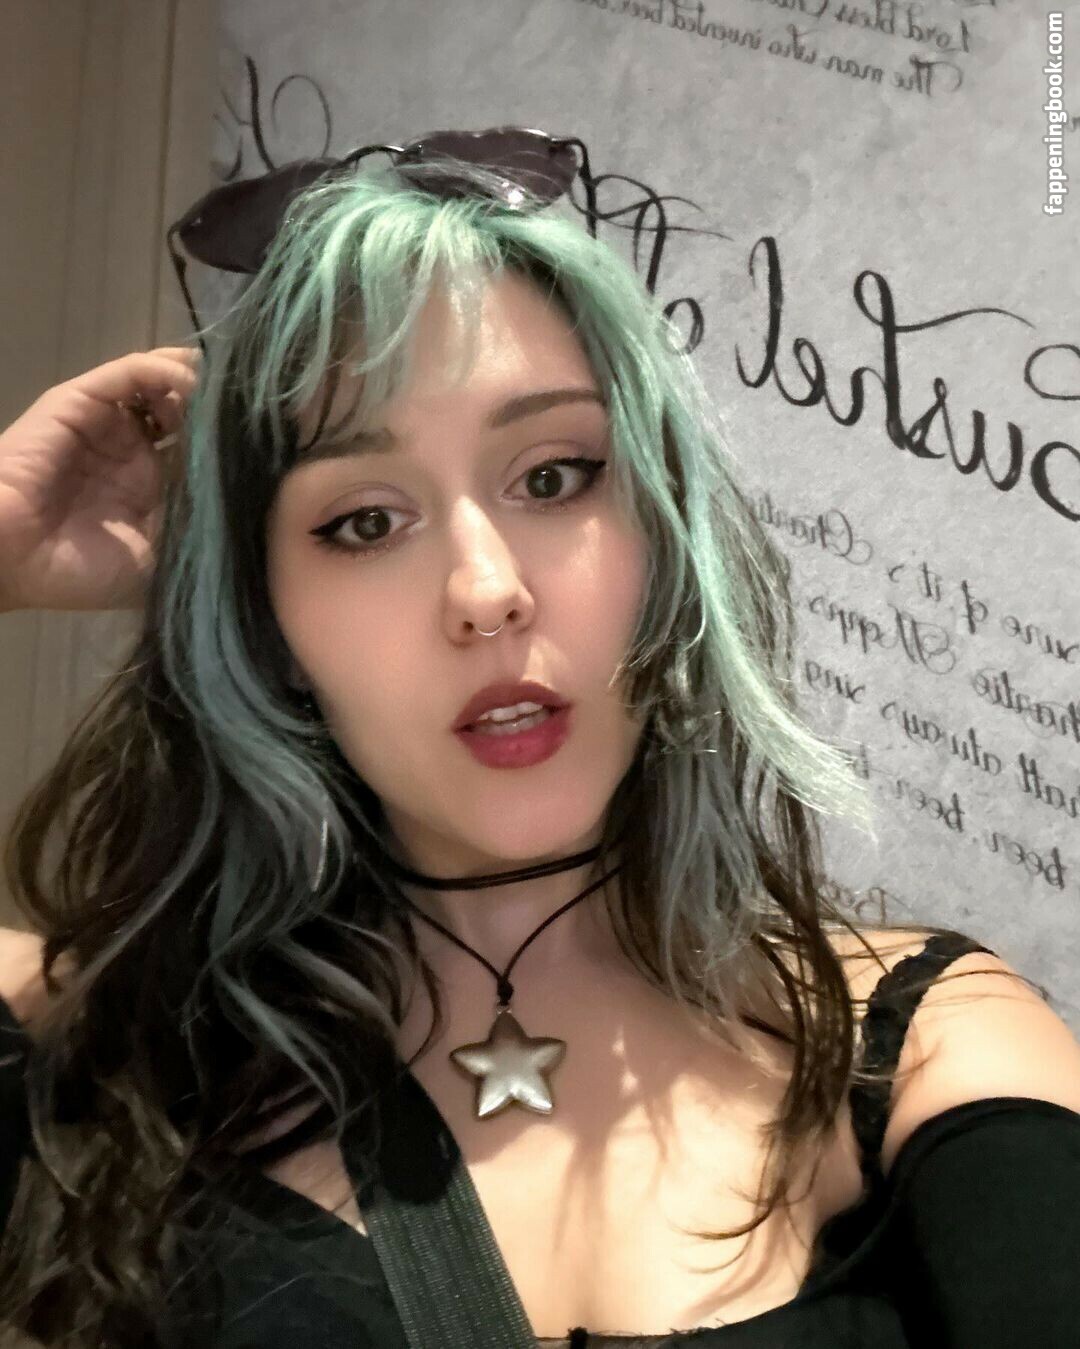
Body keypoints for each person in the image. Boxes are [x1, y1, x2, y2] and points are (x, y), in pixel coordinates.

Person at [0, 151, 1078, 1349]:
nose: (486, 590)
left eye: (554, 476)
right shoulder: (113, 1042)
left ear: (664, 531)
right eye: (366, 520)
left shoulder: (923, 1039)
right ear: (268, 621)